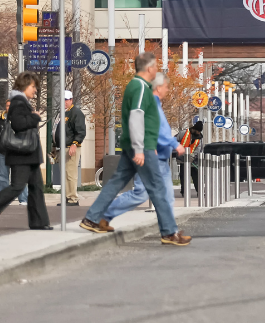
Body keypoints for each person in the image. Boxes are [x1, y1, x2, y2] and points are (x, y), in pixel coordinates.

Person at [80, 52, 190, 246]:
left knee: (115, 183)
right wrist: (140, 149)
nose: (157, 70)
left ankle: (92, 218)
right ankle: (169, 232)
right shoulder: (139, 87)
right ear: (149, 68)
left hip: (133, 146)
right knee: (157, 188)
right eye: (155, 66)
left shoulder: (139, 87)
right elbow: (136, 116)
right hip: (142, 147)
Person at [0, 73, 51, 230]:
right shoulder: (18, 102)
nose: (35, 90)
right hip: (21, 154)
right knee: (17, 187)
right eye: (32, 87)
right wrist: (35, 117)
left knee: (36, 187)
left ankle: (39, 222)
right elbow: (18, 124)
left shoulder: (21, 102)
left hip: (29, 154)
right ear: (24, 86)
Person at [103, 73, 180, 224]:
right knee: (141, 193)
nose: (168, 90)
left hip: (161, 158)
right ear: (158, 87)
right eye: (166, 87)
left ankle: (170, 231)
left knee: (167, 196)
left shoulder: (155, 103)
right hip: (152, 156)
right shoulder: (150, 104)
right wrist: (174, 143)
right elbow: (157, 129)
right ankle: (103, 213)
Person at [0, 99, 28, 206]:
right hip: (4, 152)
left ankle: (23, 199)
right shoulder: (3, 118)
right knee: (2, 177)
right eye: (7, 106)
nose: (9, 108)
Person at [53, 90, 86, 206]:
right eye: (63, 100)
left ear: (71, 100)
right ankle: (68, 196)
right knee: (65, 173)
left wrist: (74, 144)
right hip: (62, 147)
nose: (64, 102)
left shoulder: (76, 113)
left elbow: (81, 131)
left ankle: (73, 198)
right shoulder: (63, 113)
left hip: (70, 147)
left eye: (66, 100)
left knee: (70, 173)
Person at [177, 120, 203, 199]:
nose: (199, 133)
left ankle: (200, 191)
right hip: (182, 159)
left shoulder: (199, 137)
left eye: (200, 131)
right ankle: (184, 192)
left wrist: (192, 157)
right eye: (198, 131)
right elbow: (176, 141)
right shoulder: (183, 133)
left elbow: (198, 148)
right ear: (194, 129)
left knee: (196, 176)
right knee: (183, 176)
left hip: (192, 160)